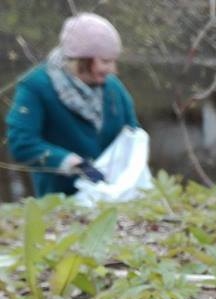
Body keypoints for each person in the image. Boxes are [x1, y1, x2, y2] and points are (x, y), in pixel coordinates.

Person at [5, 12, 139, 197]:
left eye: (113, 61)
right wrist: (73, 163)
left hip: (113, 197)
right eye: (106, 61)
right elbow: (22, 144)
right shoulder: (35, 86)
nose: (113, 70)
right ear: (83, 60)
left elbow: (132, 133)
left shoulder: (114, 88)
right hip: (59, 203)